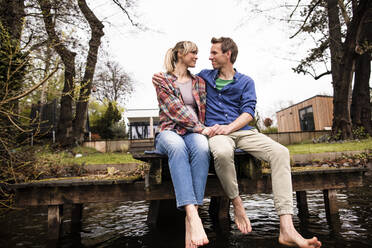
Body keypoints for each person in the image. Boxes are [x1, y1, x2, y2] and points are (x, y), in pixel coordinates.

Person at [197, 37, 322, 248]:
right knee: (222, 153)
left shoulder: (246, 81)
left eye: (214, 53)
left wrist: (230, 127)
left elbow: (248, 113)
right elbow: (179, 77)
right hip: (218, 134)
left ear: (228, 54)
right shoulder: (204, 76)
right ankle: (237, 204)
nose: (209, 57)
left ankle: (287, 227)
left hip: (241, 130)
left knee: (281, 152)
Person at [152, 41, 211, 248]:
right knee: (177, 148)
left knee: (203, 148)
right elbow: (175, 109)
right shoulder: (161, 79)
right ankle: (193, 215)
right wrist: (201, 127)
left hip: (194, 133)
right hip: (169, 132)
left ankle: (189, 222)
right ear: (180, 54)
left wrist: (208, 130)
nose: (196, 56)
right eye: (193, 52)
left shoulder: (200, 82)